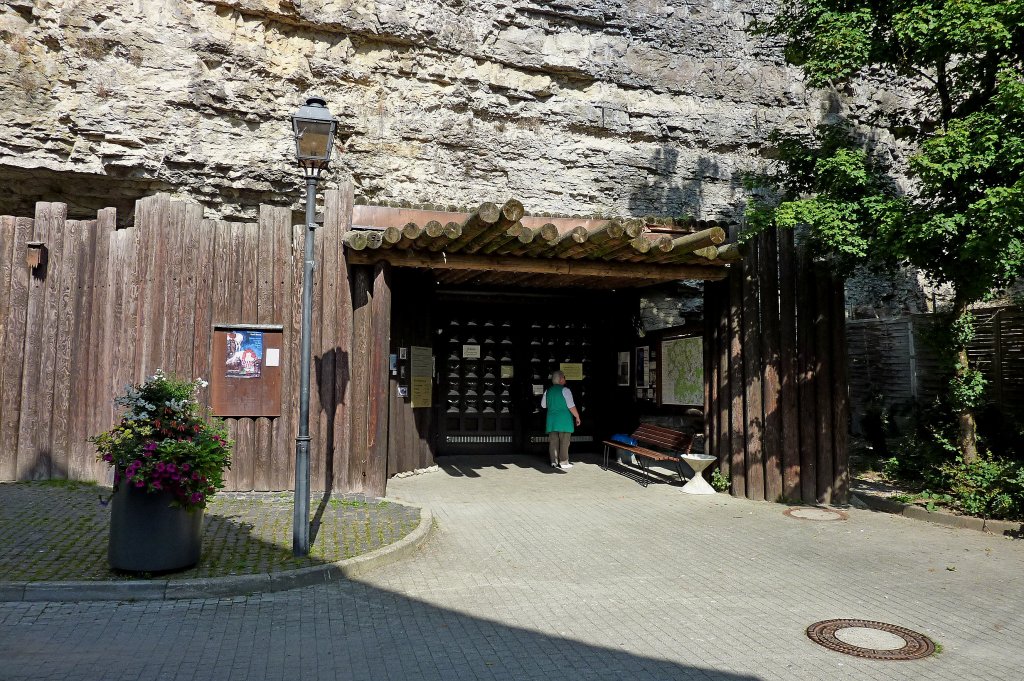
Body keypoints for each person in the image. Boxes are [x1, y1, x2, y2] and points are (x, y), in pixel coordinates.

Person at [541, 370, 581, 470]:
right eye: (564, 377)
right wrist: (577, 416)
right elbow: (571, 406)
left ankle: (553, 462)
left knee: (553, 442)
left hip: (552, 421)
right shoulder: (565, 390)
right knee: (564, 441)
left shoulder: (548, 391)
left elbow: (543, 405)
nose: (565, 379)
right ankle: (563, 462)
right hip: (564, 421)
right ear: (561, 379)